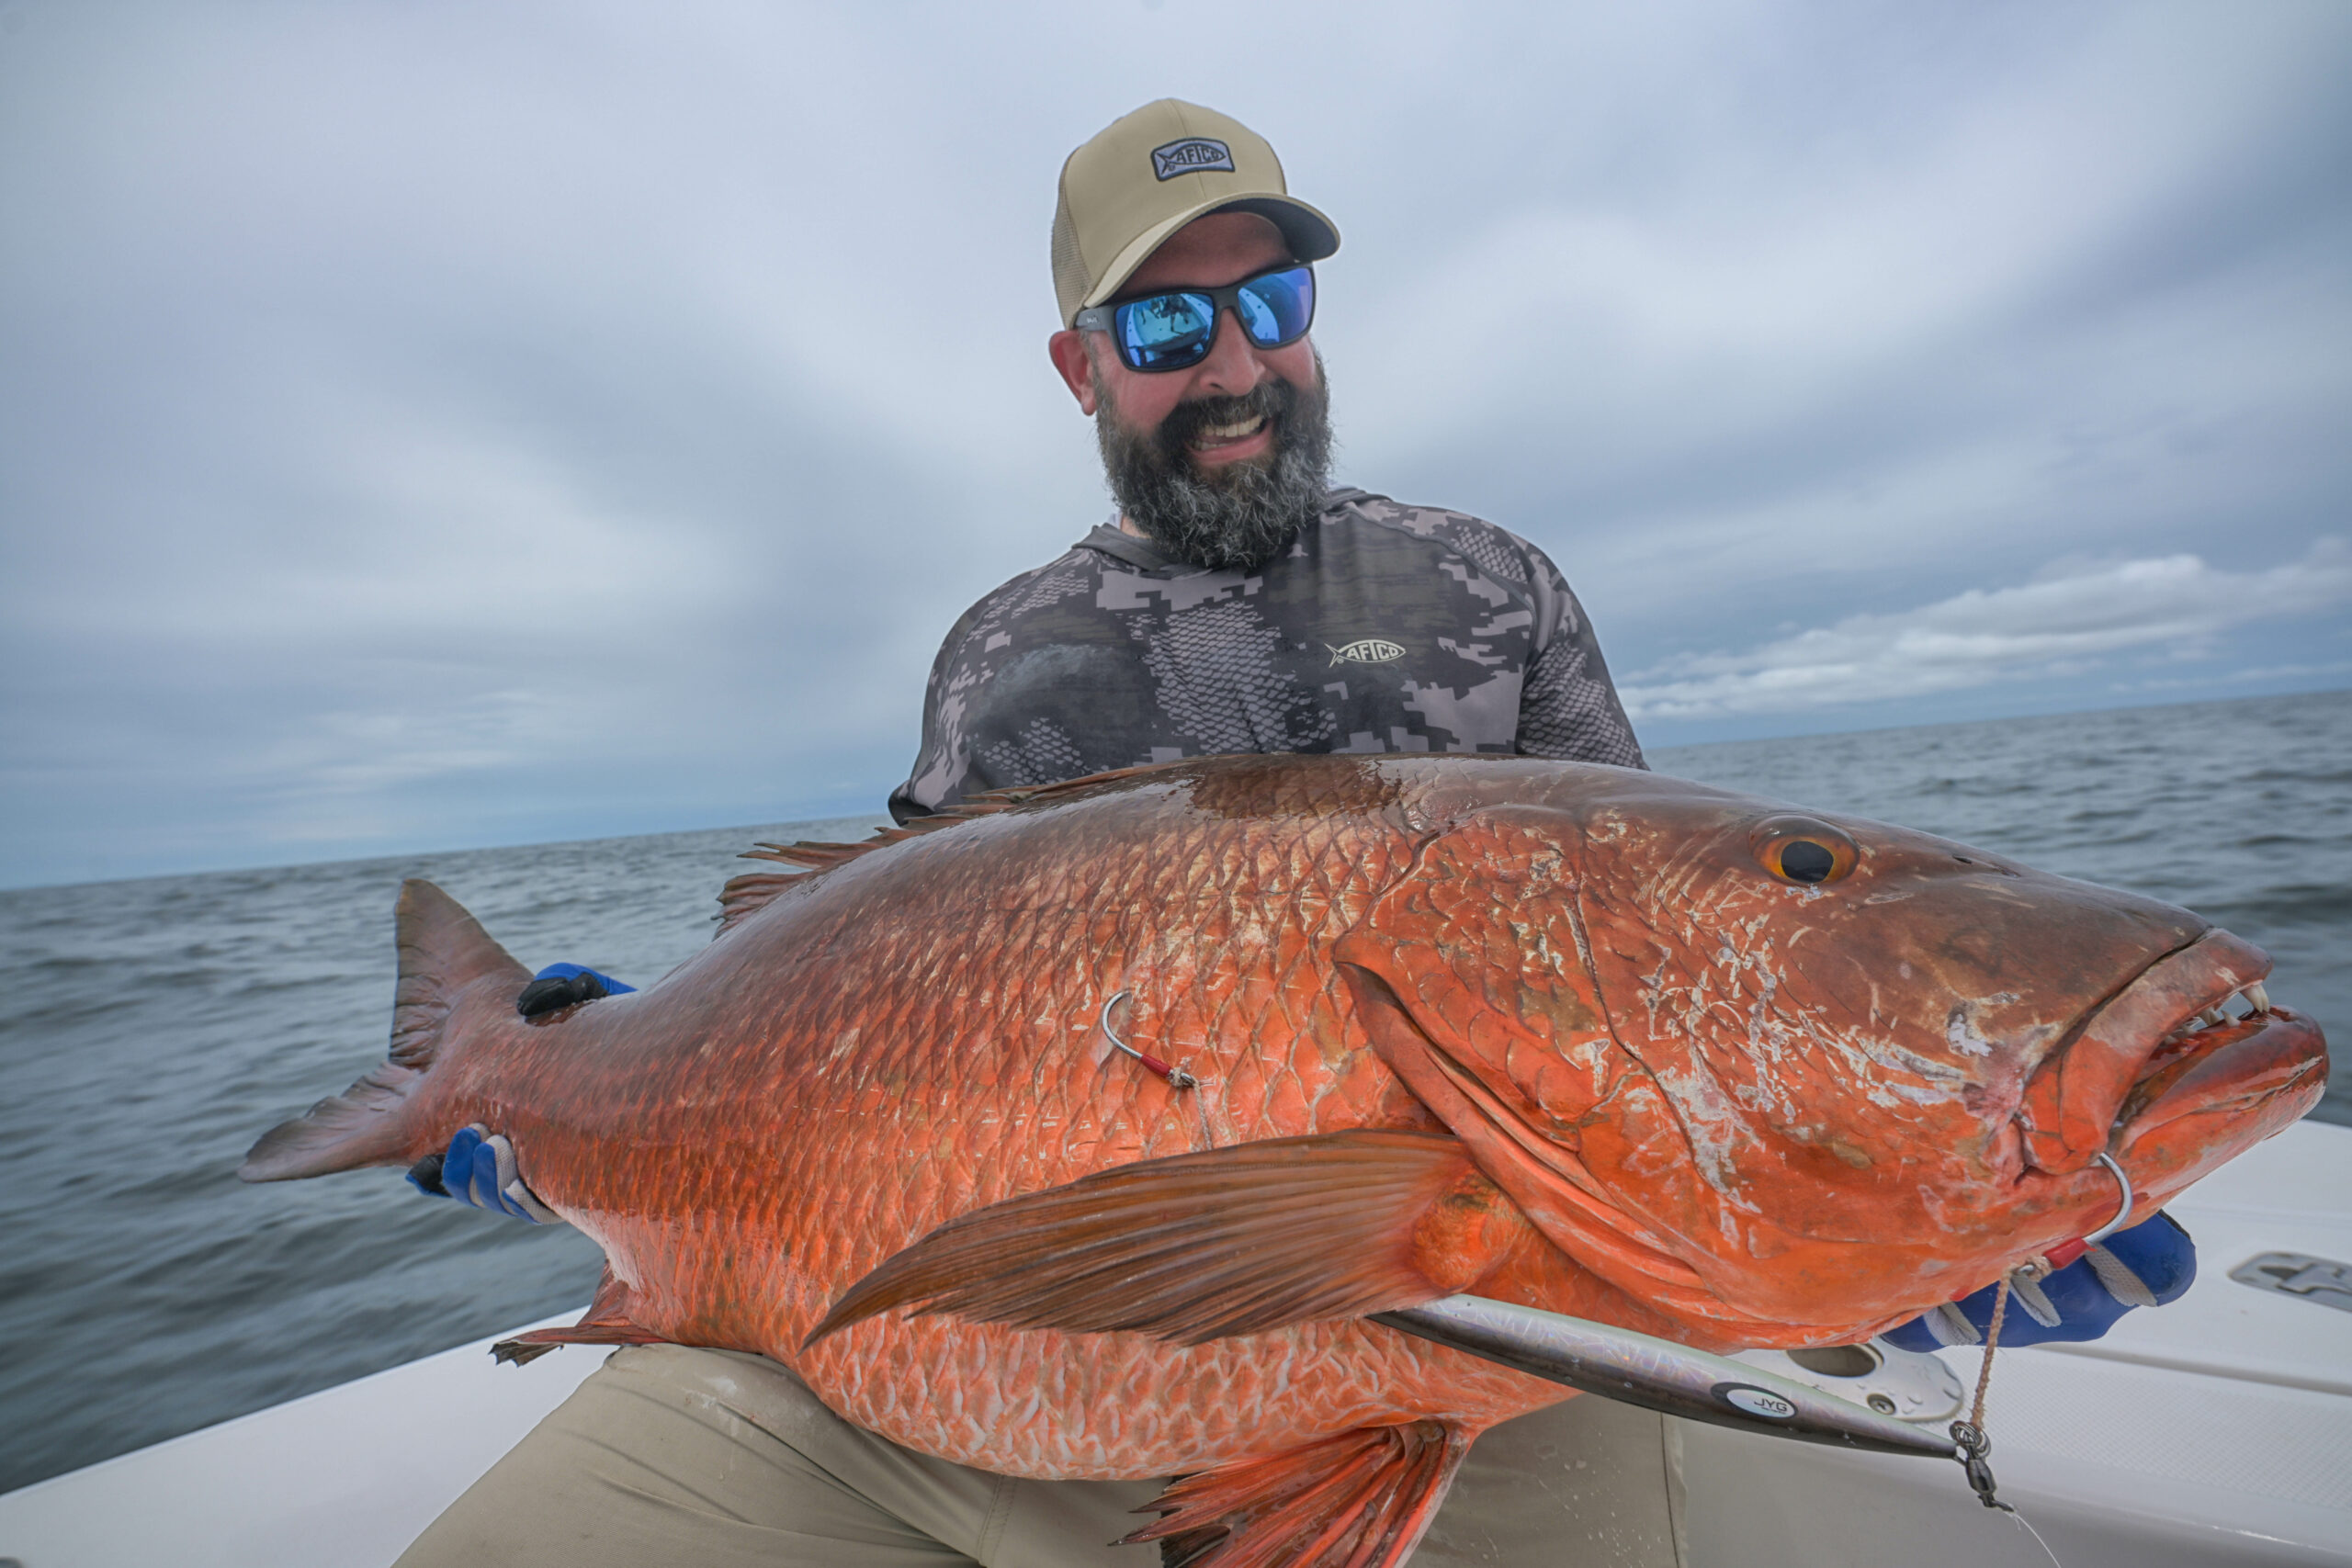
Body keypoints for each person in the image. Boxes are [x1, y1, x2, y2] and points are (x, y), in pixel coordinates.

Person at [397, 101, 2191, 1567]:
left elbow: (1666, 960)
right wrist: (573, 1064)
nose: (1234, 360)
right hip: (925, 1363)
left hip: (1483, 1376)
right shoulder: (1003, 651)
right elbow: (869, 986)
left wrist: (1907, 1212)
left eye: (1270, 303)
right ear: (1078, 364)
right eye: (1167, 325)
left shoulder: (1488, 586)